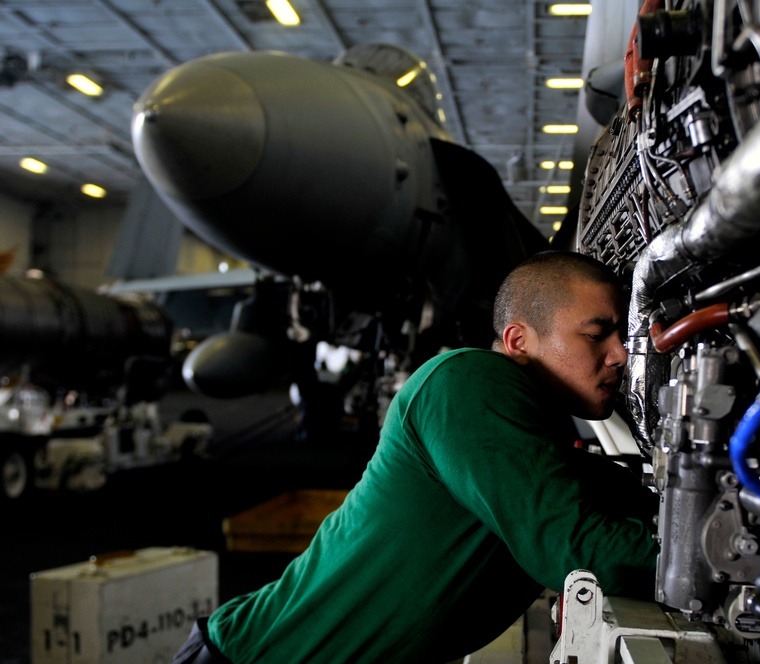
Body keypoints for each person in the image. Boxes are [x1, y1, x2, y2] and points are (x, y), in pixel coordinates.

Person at [172, 250, 658, 663]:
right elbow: (580, 552)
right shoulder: (469, 382)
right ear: (518, 341)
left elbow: (617, 510)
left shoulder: (534, 436)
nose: (620, 354)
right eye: (597, 334)